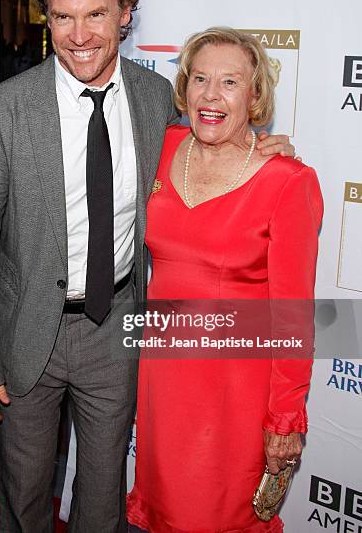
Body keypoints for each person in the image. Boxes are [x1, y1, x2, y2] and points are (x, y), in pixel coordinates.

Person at [0, 0, 294, 533]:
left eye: (96, 14)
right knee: (25, 493)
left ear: (126, 13)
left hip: (121, 328)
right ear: (45, 17)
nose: (79, 34)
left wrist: (262, 145)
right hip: (30, 329)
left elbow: (211, 146)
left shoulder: (157, 98)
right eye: (63, 15)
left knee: (103, 493)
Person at [127, 27, 323, 532]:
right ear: (184, 89)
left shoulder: (287, 181)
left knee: (218, 515)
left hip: (234, 388)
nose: (211, 96)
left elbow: (293, 314)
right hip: (163, 382)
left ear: (255, 96)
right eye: (199, 79)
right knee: (165, 512)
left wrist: (285, 419)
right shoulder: (163, 145)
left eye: (230, 82)